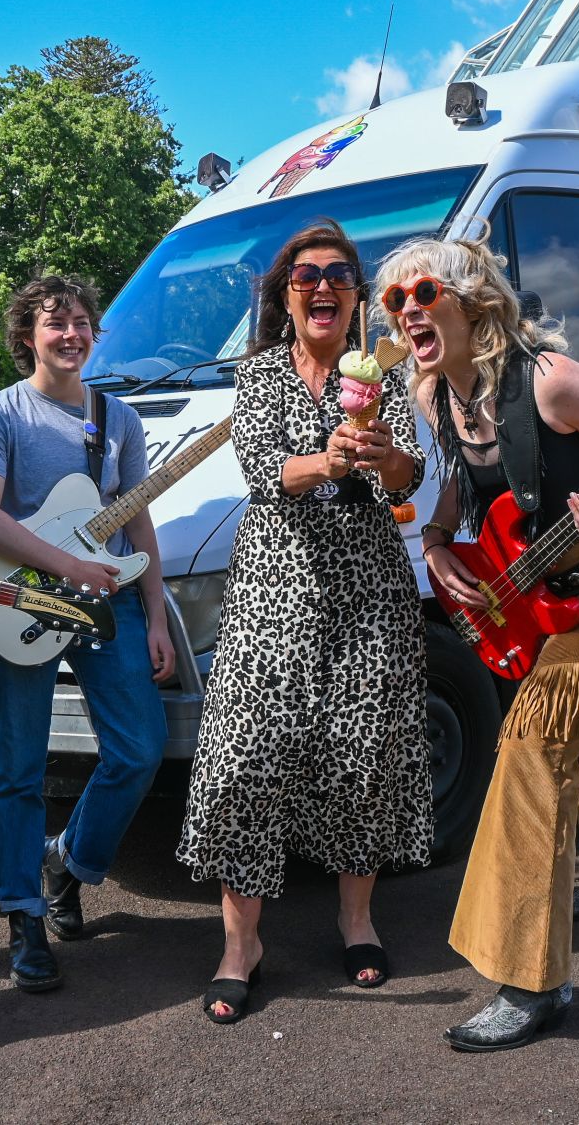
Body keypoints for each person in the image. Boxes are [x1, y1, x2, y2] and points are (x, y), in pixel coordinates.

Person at [376, 230, 579, 1053]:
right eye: (395, 300)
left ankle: (529, 978)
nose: (407, 312)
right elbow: (451, 501)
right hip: (540, 595)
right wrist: (439, 550)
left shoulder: (548, 381)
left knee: (532, 746)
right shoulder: (439, 396)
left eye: (422, 294)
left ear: (472, 301)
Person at [176, 219, 431, 1025]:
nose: (323, 285)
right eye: (305, 274)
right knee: (246, 757)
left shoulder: (387, 371)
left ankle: (357, 920)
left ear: (358, 296)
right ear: (285, 296)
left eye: (340, 273)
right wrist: (330, 458)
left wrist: (384, 455)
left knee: (363, 752)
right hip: (275, 589)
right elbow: (262, 469)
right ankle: (239, 944)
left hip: (369, 589)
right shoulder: (258, 376)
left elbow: (413, 473)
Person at [0, 275, 173, 994]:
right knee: (18, 769)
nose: (73, 332)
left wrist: (155, 609)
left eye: (83, 321)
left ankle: (70, 863)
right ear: (28, 337)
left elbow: (133, 515)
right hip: (19, 602)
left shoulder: (118, 419)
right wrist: (68, 565)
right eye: (57, 322)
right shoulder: (0, 414)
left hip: (107, 601)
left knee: (140, 747)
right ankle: (22, 918)